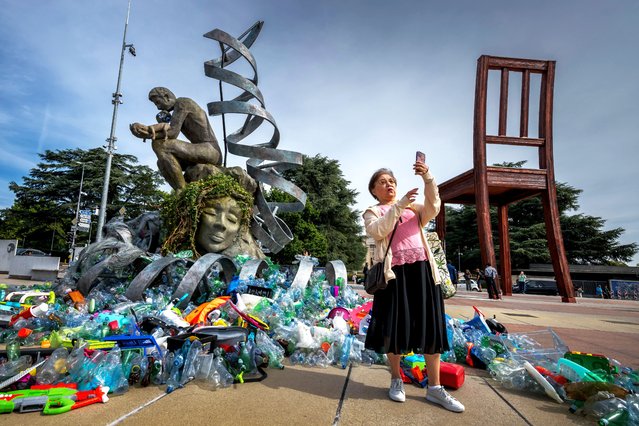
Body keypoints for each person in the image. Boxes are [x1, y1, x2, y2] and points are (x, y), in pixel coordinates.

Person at [362, 161, 464, 413]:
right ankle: (396, 380)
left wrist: (428, 178)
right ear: (374, 190)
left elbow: (434, 206)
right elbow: (378, 232)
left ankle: (435, 388)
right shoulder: (372, 211)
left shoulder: (415, 209)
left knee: (431, 327)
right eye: (383, 182)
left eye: (392, 181)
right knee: (393, 327)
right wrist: (398, 205)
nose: (390, 185)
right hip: (393, 275)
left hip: (423, 272)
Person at [130, 87, 223, 191]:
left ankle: (182, 190)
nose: (158, 107)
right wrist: (148, 131)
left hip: (210, 150)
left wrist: (148, 133)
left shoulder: (182, 102)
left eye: (157, 102)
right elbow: (167, 129)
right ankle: (180, 190)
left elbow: (172, 133)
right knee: (161, 163)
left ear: (166, 96)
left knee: (160, 144)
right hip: (201, 150)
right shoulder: (177, 109)